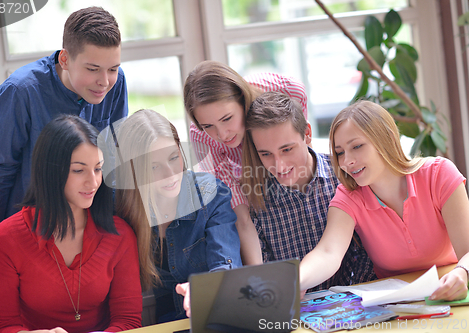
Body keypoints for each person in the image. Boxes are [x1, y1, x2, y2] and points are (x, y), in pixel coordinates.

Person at [0, 6, 129, 287]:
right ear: (65, 59)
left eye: (113, 69)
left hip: (89, 235)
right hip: (29, 236)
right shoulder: (20, 92)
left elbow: (113, 162)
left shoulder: (115, 84)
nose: (104, 81)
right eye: (93, 69)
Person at [0, 115, 142, 333]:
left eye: (98, 168)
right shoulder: (2, 241)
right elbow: (2, 327)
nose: (93, 182)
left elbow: (129, 321)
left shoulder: (119, 234)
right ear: (50, 172)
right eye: (79, 170)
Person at [298, 100, 469, 301]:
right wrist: (296, 282)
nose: (346, 161)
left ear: (386, 138)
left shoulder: (439, 174)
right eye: (340, 152)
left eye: (357, 146)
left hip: (454, 293)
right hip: (397, 306)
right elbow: (327, 252)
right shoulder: (348, 196)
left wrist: (462, 272)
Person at [110, 109, 242, 322]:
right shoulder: (119, 205)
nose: (170, 174)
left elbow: (226, 263)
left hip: (210, 316)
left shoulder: (210, 194)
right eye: (154, 166)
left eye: (173, 157)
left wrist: (205, 288)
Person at [242, 91, 376, 292]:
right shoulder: (255, 202)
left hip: (360, 302)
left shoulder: (347, 174)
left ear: (307, 134)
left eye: (287, 149)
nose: (279, 165)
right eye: (266, 154)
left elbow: (371, 250)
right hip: (297, 313)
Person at [183, 60, 307, 266]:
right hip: (251, 186)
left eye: (227, 118)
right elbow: (242, 218)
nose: (222, 134)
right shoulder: (202, 137)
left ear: (242, 99)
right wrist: (259, 275)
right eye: (208, 125)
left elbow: (299, 147)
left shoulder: (286, 90)